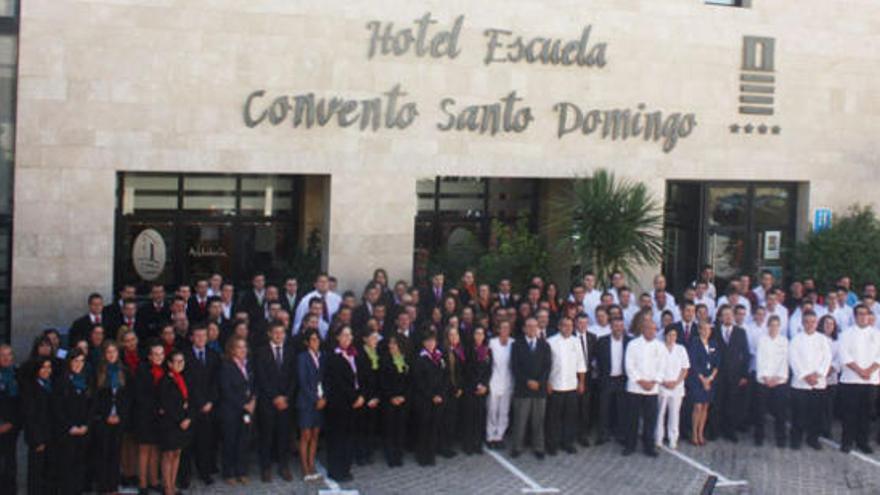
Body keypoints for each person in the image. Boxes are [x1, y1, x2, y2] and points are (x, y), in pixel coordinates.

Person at [254, 321, 296, 482]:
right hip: (268, 401)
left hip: (285, 401)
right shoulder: (261, 352)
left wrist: (285, 397)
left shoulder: (291, 351)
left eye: (282, 332)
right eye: (276, 332)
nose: (279, 336)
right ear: (269, 334)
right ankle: (265, 468)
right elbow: (261, 377)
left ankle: (283, 466)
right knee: (266, 436)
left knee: (284, 435)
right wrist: (275, 397)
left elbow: (294, 377)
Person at [181, 325, 220, 487]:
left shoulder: (213, 355)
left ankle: (204, 472)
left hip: (208, 407)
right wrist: (198, 402)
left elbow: (216, 381)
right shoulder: (184, 355)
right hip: (190, 405)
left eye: (204, 335)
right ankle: (185, 476)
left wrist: (210, 401)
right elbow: (186, 382)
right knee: (187, 444)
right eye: (197, 336)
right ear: (191, 338)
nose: (201, 339)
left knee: (205, 441)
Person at [324, 326, 364, 482]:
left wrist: (362, 395)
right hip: (339, 404)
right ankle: (336, 470)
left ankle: (346, 468)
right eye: (344, 335)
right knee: (337, 438)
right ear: (338, 338)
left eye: (350, 335)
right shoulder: (333, 357)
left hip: (354, 403)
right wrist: (354, 397)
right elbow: (339, 383)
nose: (348, 338)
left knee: (349, 437)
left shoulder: (355, 354)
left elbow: (361, 377)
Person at [838, 304, 880, 454]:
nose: (863, 317)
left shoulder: (877, 334)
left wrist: (868, 370)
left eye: (866, 314)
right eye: (860, 314)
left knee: (867, 414)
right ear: (855, 316)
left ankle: (863, 442)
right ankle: (847, 441)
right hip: (851, 380)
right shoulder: (846, 334)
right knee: (850, 413)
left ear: (870, 316)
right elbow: (844, 355)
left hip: (871, 380)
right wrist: (860, 371)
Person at [622, 314, 665, 457]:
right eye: (648, 329)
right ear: (643, 329)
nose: (651, 331)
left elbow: (662, 367)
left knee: (650, 420)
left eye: (653, 329)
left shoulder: (660, 346)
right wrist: (641, 381)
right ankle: (630, 445)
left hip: (652, 389)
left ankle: (649, 447)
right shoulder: (633, 344)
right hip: (635, 387)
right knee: (631, 418)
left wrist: (653, 382)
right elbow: (629, 365)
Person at [92, 341, 131, 495]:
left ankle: (113, 487)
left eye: (114, 352)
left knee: (115, 453)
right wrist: (105, 416)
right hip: (103, 419)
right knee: (103, 453)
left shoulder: (124, 372)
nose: (111, 355)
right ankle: (103, 488)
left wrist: (120, 415)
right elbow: (95, 399)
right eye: (108, 352)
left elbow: (128, 397)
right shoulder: (99, 373)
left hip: (118, 419)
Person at [510, 317, 552, 459]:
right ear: (524, 329)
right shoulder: (517, 345)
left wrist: (539, 382)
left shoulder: (544, 345)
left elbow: (547, 367)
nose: (532, 329)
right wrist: (527, 381)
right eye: (529, 326)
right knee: (520, 420)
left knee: (538, 421)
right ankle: (517, 447)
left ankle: (538, 447)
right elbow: (515, 367)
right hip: (523, 388)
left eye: (535, 326)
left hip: (539, 389)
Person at [788, 311, 831, 450]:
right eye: (807, 321)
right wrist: (806, 376)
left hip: (818, 383)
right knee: (798, 414)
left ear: (817, 323)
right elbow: (793, 359)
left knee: (816, 414)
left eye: (813, 321)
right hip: (800, 383)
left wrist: (817, 375)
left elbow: (826, 359)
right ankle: (796, 439)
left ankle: (813, 439)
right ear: (802, 323)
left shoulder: (822, 339)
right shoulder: (796, 339)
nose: (810, 324)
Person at [52, 348, 92, 494]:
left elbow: (91, 406)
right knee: (66, 467)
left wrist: (86, 425)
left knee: (80, 466)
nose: (78, 364)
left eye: (82, 361)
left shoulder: (86, 380)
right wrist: (69, 426)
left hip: (83, 431)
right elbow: (57, 408)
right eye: (76, 361)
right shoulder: (61, 381)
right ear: (69, 362)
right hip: (66, 432)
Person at [546, 317, 586, 455]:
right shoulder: (550, 342)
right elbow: (546, 365)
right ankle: (553, 444)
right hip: (555, 385)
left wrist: (581, 382)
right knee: (554, 418)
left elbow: (581, 363)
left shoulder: (576, 341)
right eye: (564, 325)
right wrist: (548, 382)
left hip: (571, 386)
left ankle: (568, 443)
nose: (567, 328)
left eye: (570, 326)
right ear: (559, 326)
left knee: (570, 417)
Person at [219, 336, 255, 485]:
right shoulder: (226, 366)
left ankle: (242, 470)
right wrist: (243, 404)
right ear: (232, 350)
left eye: (244, 347)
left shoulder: (248, 365)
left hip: (247, 409)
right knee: (230, 441)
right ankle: (229, 472)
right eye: (239, 347)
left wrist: (253, 400)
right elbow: (226, 390)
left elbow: (253, 384)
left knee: (244, 440)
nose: (242, 350)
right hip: (232, 410)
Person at [710, 306, 750, 442]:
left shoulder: (740, 332)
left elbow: (745, 354)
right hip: (718, 374)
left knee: (732, 404)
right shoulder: (713, 332)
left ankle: (730, 431)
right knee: (717, 404)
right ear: (720, 317)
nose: (728, 317)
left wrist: (744, 375)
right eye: (725, 315)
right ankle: (714, 431)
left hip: (734, 375)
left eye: (730, 315)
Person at [159, 350, 192, 495]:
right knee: (168, 454)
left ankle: (173, 484)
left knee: (177, 453)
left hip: (183, 422)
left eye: (182, 361)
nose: (180, 364)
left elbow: (189, 400)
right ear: (170, 364)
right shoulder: (165, 380)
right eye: (176, 362)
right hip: (170, 423)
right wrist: (180, 419)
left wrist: (188, 417)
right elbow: (166, 404)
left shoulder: (183, 378)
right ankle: (167, 487)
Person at [133, 340, 164, 495]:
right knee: (144, 449)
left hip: (159, 416)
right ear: (150, 356)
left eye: (161, 354)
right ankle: (143, 483)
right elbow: (139, 394)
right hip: (145, 415)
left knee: (156, 449)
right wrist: (155, 407)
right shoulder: (142, 369)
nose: (159, 357)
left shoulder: (165, 369)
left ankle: (154, 480)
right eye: (155, 354)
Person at [754, 315, 788, 447]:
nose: (774, 328)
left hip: (779, 381)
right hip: (764, 380)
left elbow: (784, 361)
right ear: (767, 326)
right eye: (771, 325)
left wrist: (777, 378)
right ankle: (759, 437)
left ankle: (781, 438)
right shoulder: (762, 340)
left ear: (779, 327)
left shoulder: (784, 341)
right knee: (760, 411)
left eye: (776, 325)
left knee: (781, 412)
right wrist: (766, 377)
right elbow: (760, 359)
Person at [413, 331, 445, 466]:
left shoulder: (439, 357)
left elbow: (445, 377)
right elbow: (419, 381)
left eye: (433, 341)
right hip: (425, 399)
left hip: (438, 399)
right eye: (428, 341)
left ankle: (431, 455)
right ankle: (422, 455)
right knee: (423, 427)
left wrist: (440, 394)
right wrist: (432, 395)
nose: (431, 343)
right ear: (423, 343)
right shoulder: (420, 359)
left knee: (434, 427)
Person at [596, 317, 630, 445]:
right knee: (604, 408)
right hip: (607, 379)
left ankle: (620, 434)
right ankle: (603, 434)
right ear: (611, 327)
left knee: (621, 408)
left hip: (622, 379)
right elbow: (597, 359)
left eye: (621, 326)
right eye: (616, 326)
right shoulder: (602, 341)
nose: (618, 328)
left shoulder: (629, 341)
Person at [296, 328, 325, 480]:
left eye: (317, 339)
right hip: (307, 402)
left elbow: (326, 379)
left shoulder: (322, 356)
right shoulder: (302, 357)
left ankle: (312, 464)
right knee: (305, 435)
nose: (316, 342)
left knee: (315, 435)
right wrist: (316, 399)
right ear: (307, 342)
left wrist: (324, 398)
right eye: (312, 339)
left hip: (320, 401)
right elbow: (303, 381)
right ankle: (305, 467)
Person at [22, 356, 53, 495]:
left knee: (48, 473)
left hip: (51, 436)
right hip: (37, 437)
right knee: (36, 473)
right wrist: (37, 439)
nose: (46, 370)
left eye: (48, 367)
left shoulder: (51, 385)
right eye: (43, 367)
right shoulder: (31, 387)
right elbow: (30, 415)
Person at [655, 327, 690, 450]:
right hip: (662, 386)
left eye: (674, 335)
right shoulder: (659, 348)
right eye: (669, 335)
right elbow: (655, 368)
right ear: (665, 335)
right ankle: (658, 438)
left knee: (674, 414)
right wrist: (664, 382)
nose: (671, 337)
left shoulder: (681, 349)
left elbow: (685, 368)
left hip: (677, 387)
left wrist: (676, 382)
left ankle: (673, 439)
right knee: (660, 413)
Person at [686, 321, 719, 446]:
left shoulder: (713, 344)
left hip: (710, 380)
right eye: (704, 329)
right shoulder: (694, 343)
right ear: (699, 330)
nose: (706, 331)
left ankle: (701, 433)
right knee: (698, 407)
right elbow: (693, 363)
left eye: (708, 329)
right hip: (697, 380)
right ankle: (694, 434)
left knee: (705, 407)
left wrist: (710, 378)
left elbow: (717, 363)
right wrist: (703, 379)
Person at [379, 334, 410, 467]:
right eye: (391, 343)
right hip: (389, 400)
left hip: (403, 400)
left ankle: (399, 454)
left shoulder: (406, 361)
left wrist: (403, 396)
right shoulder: (385, 360)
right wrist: (392, 396)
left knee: (400, 428)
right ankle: (390, 456)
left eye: (394, 343)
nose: (391, 345)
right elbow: (382, 381)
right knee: (390, 428)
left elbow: (410, 381)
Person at [354, 329, 382, 465]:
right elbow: (360, 378)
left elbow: (379, 378)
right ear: (365, 339)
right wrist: (367, 397)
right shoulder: (360, 355)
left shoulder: (377, 354)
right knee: (361, 428)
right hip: (364, 396)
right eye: (373, 338)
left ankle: (368, 452)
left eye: (376, 338)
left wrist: (377, 396)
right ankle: (360, 454)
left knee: (371, 427)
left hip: (374, 397)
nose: (375, 341)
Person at [463, 326, 492, 455]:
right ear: (473, 335)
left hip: (482, 390)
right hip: (470, 388)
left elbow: (488, 370)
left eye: (481, 334)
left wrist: (484, 385)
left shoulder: (487, 350)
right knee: (469, 418)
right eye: (477, 333)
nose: (479, 336)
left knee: (480, 417)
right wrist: (476, 385)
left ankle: (478, 444)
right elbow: (467, 370)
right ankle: (468, 445)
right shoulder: (467, 350)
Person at [486, 320, 513, 449]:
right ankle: (490, 436)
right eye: (503, 328)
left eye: (507, 328)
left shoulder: (513, 343)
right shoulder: (492, 343)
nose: (505, 330)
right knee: (492, 410)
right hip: (493, 381)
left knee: (504, 411)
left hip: (508, 382)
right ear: (498, 330)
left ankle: (499, 436)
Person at [439, 325, 465, 457]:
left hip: (456, 390)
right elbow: (444, 374)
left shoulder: (459, 350)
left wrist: (460, 387)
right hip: (447, 391)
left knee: (452, 420)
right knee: (446, 420)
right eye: (451, 335)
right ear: (447, 337)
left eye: (456, 335)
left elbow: (461, 372)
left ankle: (449, 444)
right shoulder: (443, 351)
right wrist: (453, 388)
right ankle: (444, 447)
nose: (454, 337)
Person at [0, 345, 19, 494]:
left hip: (12, 427)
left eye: (9, 355)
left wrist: (12, 423)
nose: (6, 358)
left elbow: (20, 401)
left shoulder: (17, 374)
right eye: (2, 355)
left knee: (10, 463)